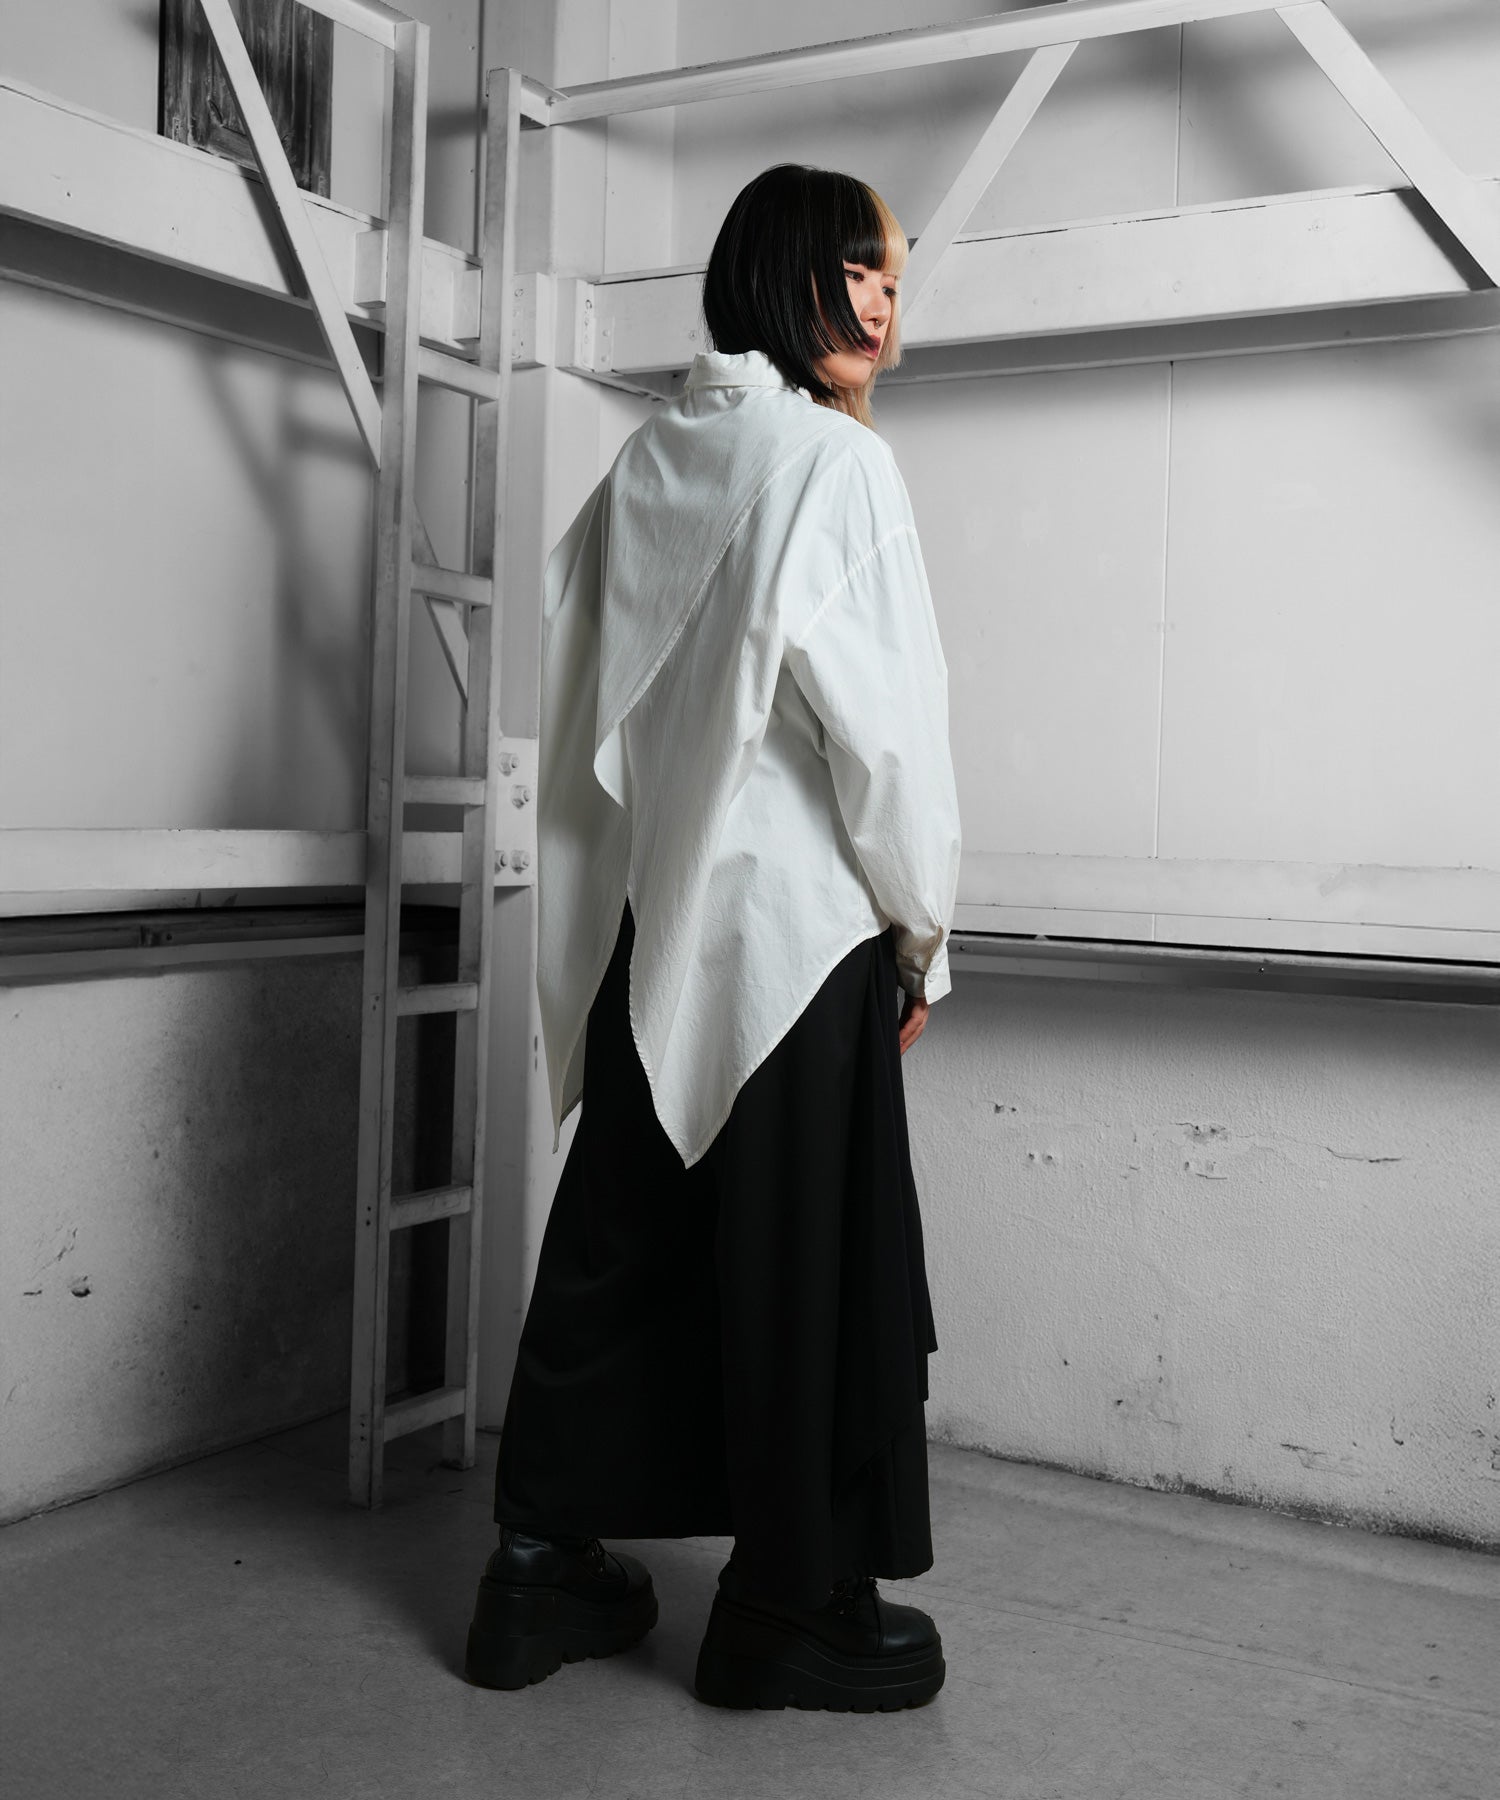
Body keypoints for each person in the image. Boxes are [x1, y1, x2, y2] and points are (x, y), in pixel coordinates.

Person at [462, 163, 962, 1713]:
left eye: (891, 279)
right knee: (811, 1267)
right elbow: (891, 742)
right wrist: (921, 935)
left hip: (655, 923)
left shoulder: (649, 463)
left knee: (623, 1241)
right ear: (778, 277)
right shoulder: (836, 465)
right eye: (850, 270)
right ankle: (787, 1611)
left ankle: (537, 1569)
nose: (879, 305)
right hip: (799, 943)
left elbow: (581, 693)